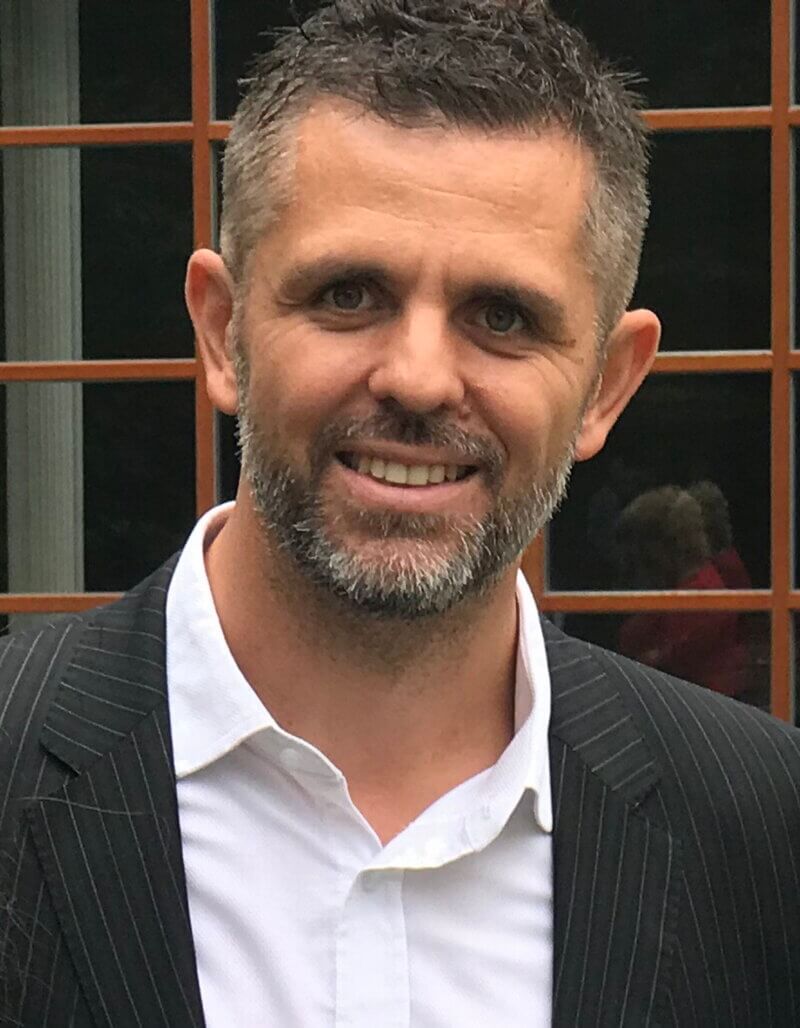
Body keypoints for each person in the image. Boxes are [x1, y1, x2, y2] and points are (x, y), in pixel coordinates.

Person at [2, 2, 800, 1025]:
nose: (418, 378)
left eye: (502, 316)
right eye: (348, 294)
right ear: (222, 330)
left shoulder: (763, 833)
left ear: (606, 384)